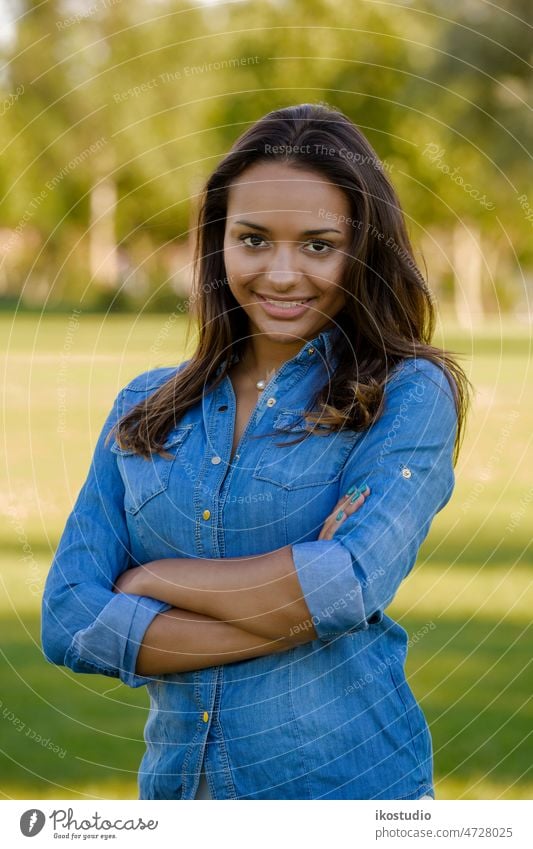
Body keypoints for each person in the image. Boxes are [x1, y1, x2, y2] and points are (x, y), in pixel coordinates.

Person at [41, 102, 470, 800]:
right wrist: (286, 604)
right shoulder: (144, 408)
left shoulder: (405, 394)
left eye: (317, 244)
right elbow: (67, 618)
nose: (279, 274)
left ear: (363, 248)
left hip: (348, 799)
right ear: (218, 243)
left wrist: (151, 579)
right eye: (253, 240)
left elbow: (347, 585)